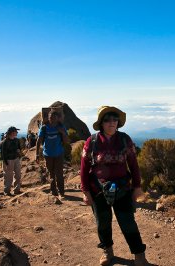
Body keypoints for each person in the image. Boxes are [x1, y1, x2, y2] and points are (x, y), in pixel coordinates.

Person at [80, 106, 149, 266]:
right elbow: (83, 167)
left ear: (118, 122)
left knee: (128, 222)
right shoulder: (92, 141)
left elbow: (133, 164)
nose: (112, 122)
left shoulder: (125, 139)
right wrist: (85, 191)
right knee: (102, 222)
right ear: (101, 123)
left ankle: (139, 255)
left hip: (122, 189)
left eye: (114, 119)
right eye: (107, 120)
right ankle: (107, 251)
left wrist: (137, 186)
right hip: (98, 190)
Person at [36, 110, 68, 198]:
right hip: (47, 154)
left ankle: (61, 192)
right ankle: (54, 192)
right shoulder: (44, 128)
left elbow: (66, 141)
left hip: (59, 154)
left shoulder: (61, 127)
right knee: (51, 173)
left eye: (54, 118)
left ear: (58, 118)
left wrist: (62, 132)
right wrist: (37, 155)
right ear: (48, 118)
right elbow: (38, 141)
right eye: (51, 118)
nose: (53, 120)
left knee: (59, 174)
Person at [1, 126, 22, 196]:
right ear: (12, 133)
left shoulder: (16, 140)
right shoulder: (5, 142)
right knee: (8, 176)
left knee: (18, 175)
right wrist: (6, 162)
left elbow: (19, 148)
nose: (17, 133)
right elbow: (3, 153)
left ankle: (17, 189)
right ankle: (7, 191)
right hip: (8, 160)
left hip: (16, 159)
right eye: (15, 131)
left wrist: (19, 153)